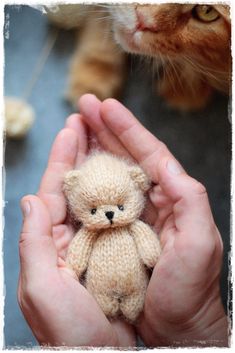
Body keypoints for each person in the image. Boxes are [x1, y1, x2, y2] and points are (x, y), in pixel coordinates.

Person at [18, 94, 229, 347]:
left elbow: (150, 252)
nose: (109, 215)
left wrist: (191, 323)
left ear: (136, 185)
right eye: (95, 209)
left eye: (119, 206)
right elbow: (77, 257)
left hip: (137, 289)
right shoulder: (89, 233)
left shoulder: (136, 227)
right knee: (103, 300)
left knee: (133, 302)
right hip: (100, 288)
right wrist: (195, 327)